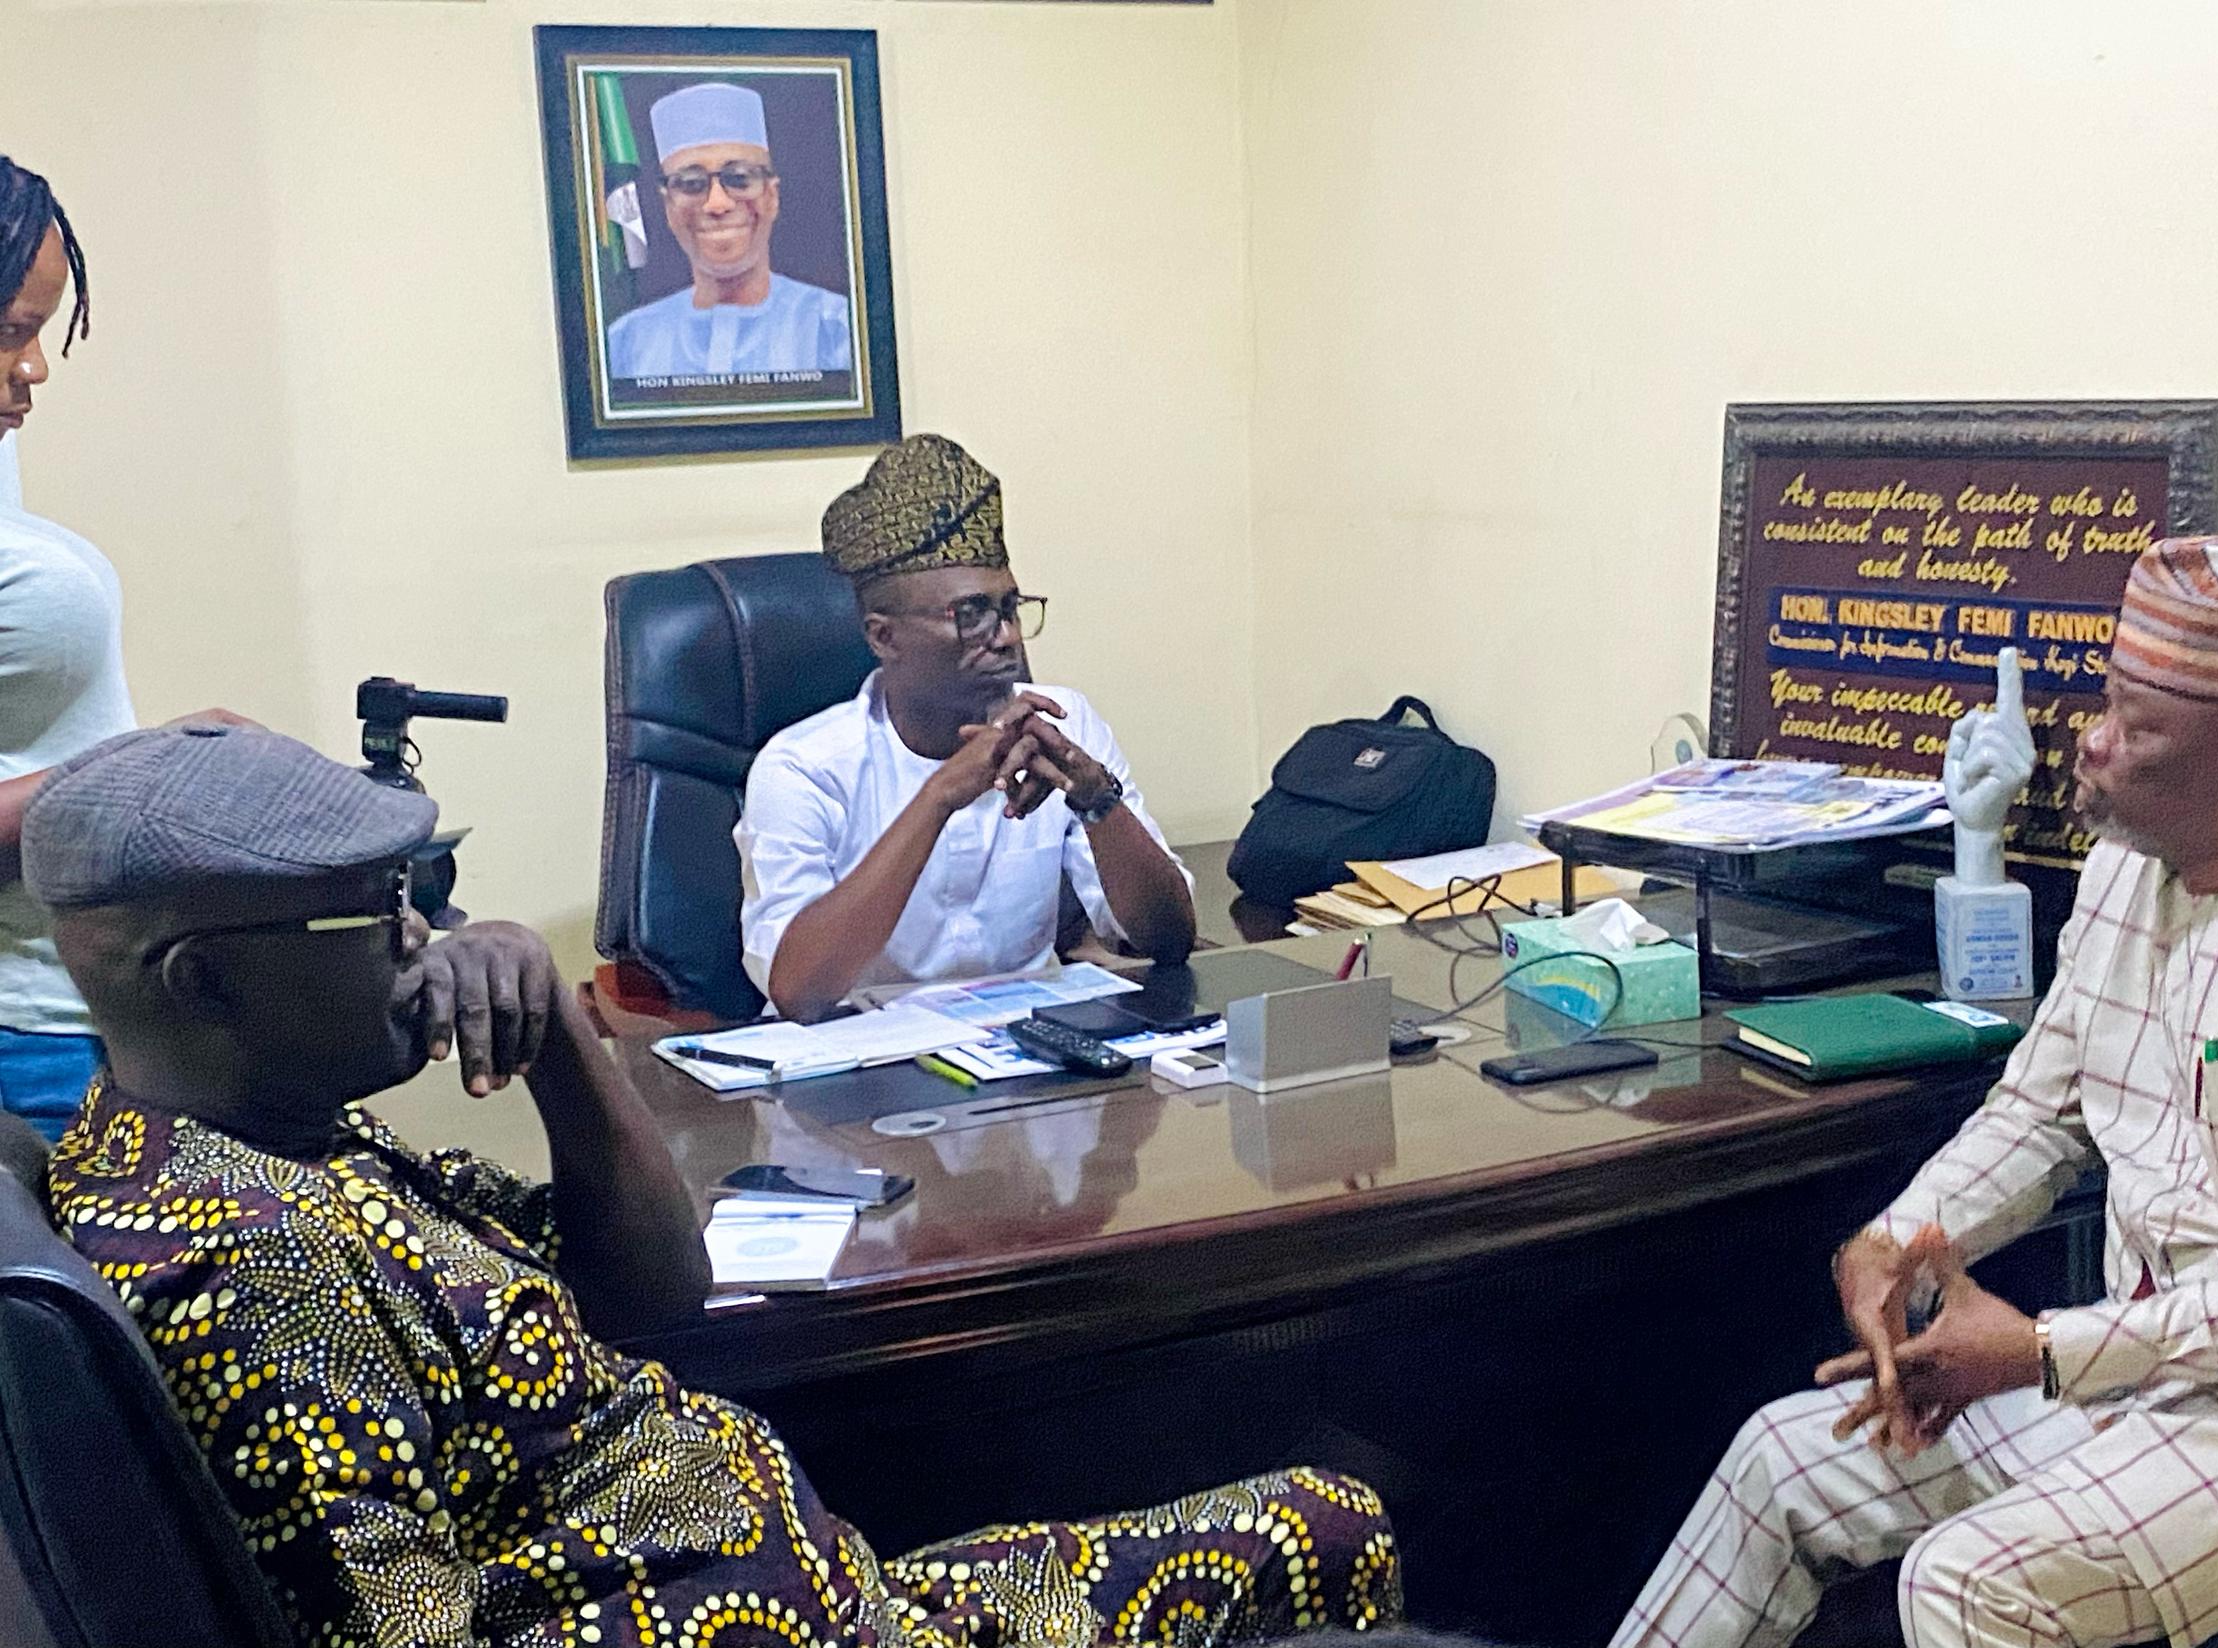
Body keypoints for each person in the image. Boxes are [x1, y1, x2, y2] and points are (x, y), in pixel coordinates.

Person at [34, 723, 1401, 1646]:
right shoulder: (257, 1273)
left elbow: (652, 1295)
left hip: (813, 1584)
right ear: (203, 979)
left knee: (1290, 1492)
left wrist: (562, 1039)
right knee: (1327, 1522)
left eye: (417, 889)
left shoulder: (281, 1144)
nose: (420, 934)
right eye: (373, 907)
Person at [1617, 536, 2218, 1648]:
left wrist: (2050, 1352)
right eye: (2105, 703)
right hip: (2178, 1374)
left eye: (2131, 724)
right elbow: (2039, 1109)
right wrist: (1900, 1242)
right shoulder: (2126, 866)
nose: (2091, 741)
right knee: (1781, 1462)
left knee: (1972, 1580)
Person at [738, 433, 1198, 1019]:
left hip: (1028, 1046)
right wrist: (941, 796)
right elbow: (799, 990)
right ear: (885, 637)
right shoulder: (804, 767)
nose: (1007, 637)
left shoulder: (1064, 724)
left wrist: (1096, 799)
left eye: (1010, 609)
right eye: (972, 615)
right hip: (860, 1056)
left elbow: (1169, 940)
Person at [0, 156, 248, 1139]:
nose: (36, 367)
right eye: (11, 331)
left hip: (101, 1008)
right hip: (23, 1041)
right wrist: (141, 774)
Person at [604, 80, 855, 382]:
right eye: (691, 184)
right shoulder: (625, 344)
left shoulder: (838, 330)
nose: (717, 203)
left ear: (771, 196)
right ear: (669, 206)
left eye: (739, 178)